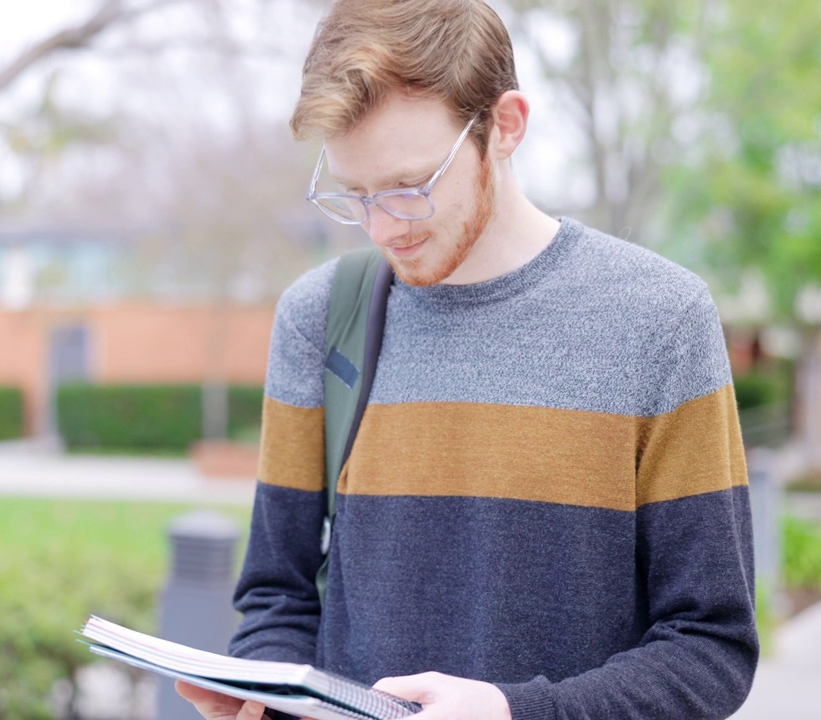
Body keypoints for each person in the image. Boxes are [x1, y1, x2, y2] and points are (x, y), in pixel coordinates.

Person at [177, 1, 759, 718]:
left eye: (409, 187)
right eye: (356, 195)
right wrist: (262, 690)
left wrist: (515, 713)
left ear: (505, 126)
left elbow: (711, 648)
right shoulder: (323, 319)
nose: (384, 225)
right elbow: (276, 595)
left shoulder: (659, 321)